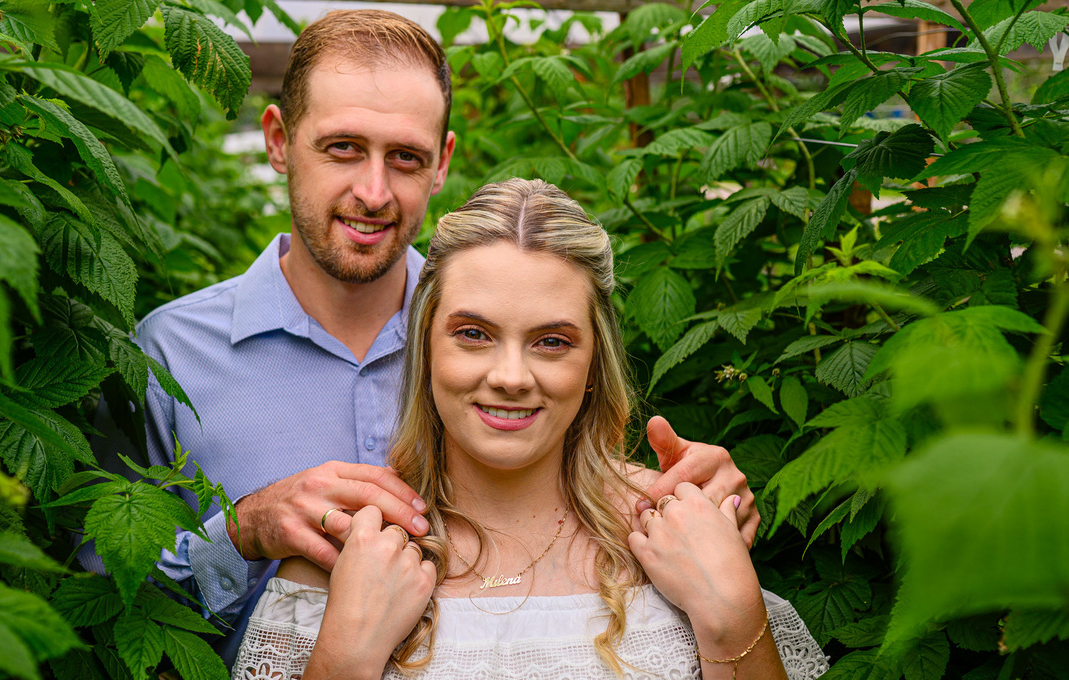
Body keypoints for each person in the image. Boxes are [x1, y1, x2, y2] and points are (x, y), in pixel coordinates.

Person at [88, 10, 759, 627]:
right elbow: (99, 604)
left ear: (440, 163)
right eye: (343, 148)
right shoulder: (169, 356)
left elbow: (589, 496)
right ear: (278, 141)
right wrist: (241, 535)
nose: (374, 192)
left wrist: (693, 498)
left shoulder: (506, 345)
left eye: (404, 157)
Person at [212, 179, 830, 680]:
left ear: (594, 364)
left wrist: (732, 615)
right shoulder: (349, 552)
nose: (510, 377)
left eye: (552, 342)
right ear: (425, 347)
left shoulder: (669, 535)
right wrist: (344, 662)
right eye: (473, 334)